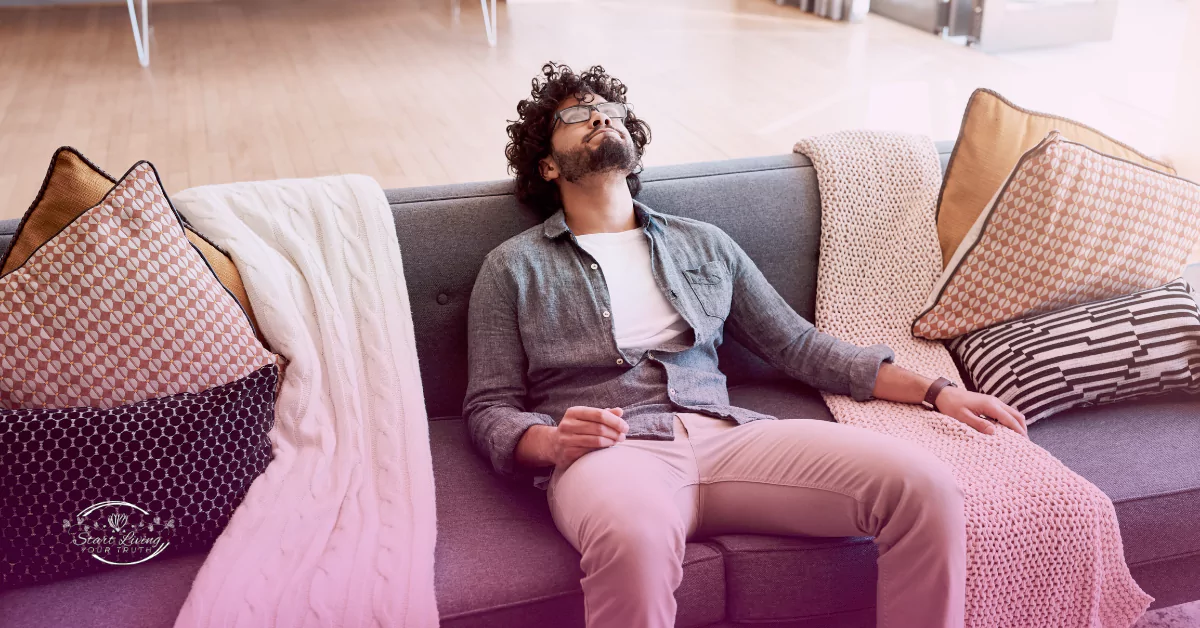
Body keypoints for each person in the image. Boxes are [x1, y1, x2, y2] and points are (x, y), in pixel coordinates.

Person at [463, 62, 1028, 628]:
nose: (599, 118)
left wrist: (936, 390)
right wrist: (553, 442)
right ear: (547, 163)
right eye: (576, 114)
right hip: (612, 456)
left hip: (730, 436)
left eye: (610, 111)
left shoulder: (705, 244)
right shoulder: (513, 267)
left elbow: (798, 345)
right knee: (633, 539)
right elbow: (489, 407)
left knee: (923, 486)